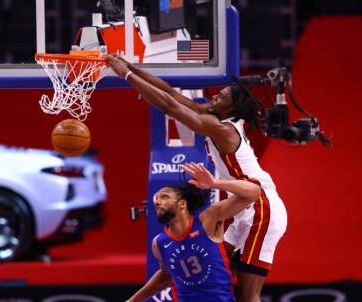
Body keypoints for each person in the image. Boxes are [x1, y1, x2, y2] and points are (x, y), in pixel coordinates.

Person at [107, 55, 287, 302]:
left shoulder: (224, 130)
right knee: (210, 267)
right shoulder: (216, 117)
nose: (215, 96)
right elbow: (171, 94)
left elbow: (170, 108)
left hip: (262, 208)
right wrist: (131, 69)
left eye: (222, 96)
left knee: (248, 293)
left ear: (231, 108)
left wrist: (126, 77)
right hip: (247, 206)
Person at [126, 163, 260, 302]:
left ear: (182, 204)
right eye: (157, 199)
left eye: (164, 196)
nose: (158, 202)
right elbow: (166, 275)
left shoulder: (207, 220)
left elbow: (254, 192)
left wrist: (215, 183)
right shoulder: (159, 243)